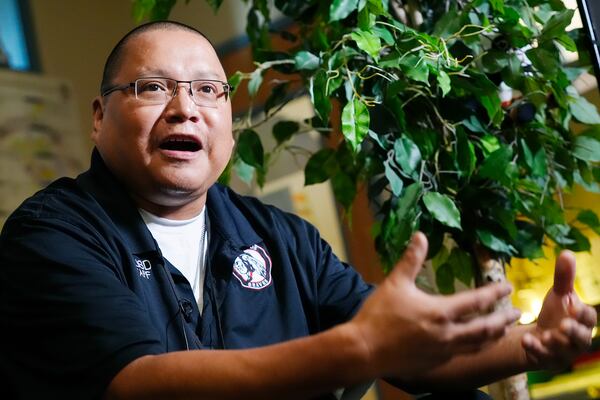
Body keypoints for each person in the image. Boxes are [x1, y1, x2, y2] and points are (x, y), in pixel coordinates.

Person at [0, 20, 596, 400]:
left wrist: (531, 343)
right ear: (99, 117)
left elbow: (412, 355)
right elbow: (142, 383)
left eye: (209, 90)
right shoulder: (49, 234)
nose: (186, 108)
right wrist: (361, 349)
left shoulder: (280, 238)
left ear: (229, 124)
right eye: (153, 87)